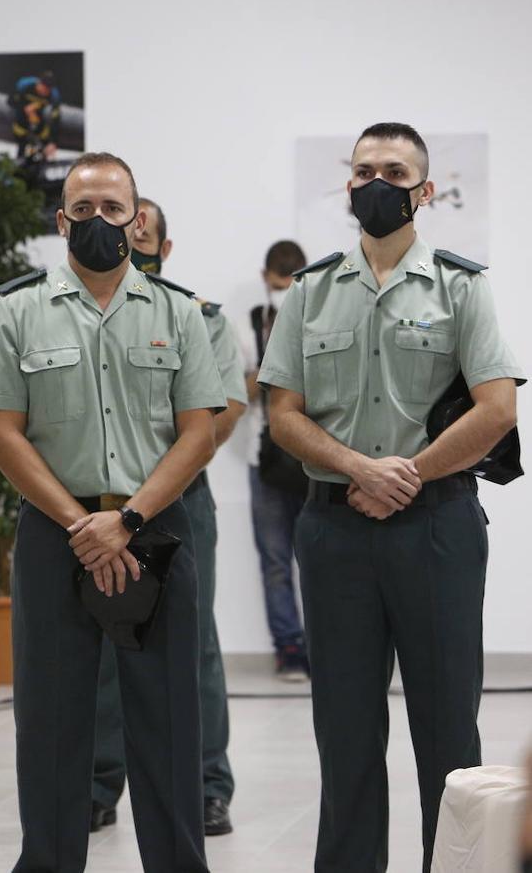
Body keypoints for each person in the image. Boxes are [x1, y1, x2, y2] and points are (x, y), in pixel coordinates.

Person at [258, 121, 521, 871]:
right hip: (334, 531)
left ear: (425, 191)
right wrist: (358, 469)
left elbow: (498, 408)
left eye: (396, 171)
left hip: (436, 530)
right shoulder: (309, 291)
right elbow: (283, 414)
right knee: (343, 733)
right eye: (366, 168)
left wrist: (406, 475)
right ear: (349, 184)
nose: (379, 182)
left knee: (448, 736)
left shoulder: (462, 285)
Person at [0, 152, 225, 872]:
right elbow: (1, 433)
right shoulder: (18, 309)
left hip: (155, 533)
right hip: (59, 534)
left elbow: (198, 431)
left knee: (167, 720)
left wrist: (129, 520)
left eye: (114, 209)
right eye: (82, 210)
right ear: (61, 221)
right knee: (52, 722)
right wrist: (82, 524)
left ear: (136, 219)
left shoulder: (178, 311)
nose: (99, 222)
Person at [91, 197, 247, 838]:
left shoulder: (198, 317)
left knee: (192, 643)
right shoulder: (79, 313)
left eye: (144, 234)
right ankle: (98, 784)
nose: (132, 241)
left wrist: (156, 485)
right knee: (102, 643)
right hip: (96, 509)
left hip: (179, 502)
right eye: (126, 231)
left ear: (164, 246)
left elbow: (227, 409)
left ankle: (207, 785)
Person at [241, 239, 312, 680]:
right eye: (277, 284)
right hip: (261, 456)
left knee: (322, 558)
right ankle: (288, 647)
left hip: (312, 455)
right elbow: (235, 390)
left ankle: (329, 645)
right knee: (274, 561)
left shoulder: (319, 316)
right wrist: (273, 364)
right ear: (264, 279)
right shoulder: (249, 322)